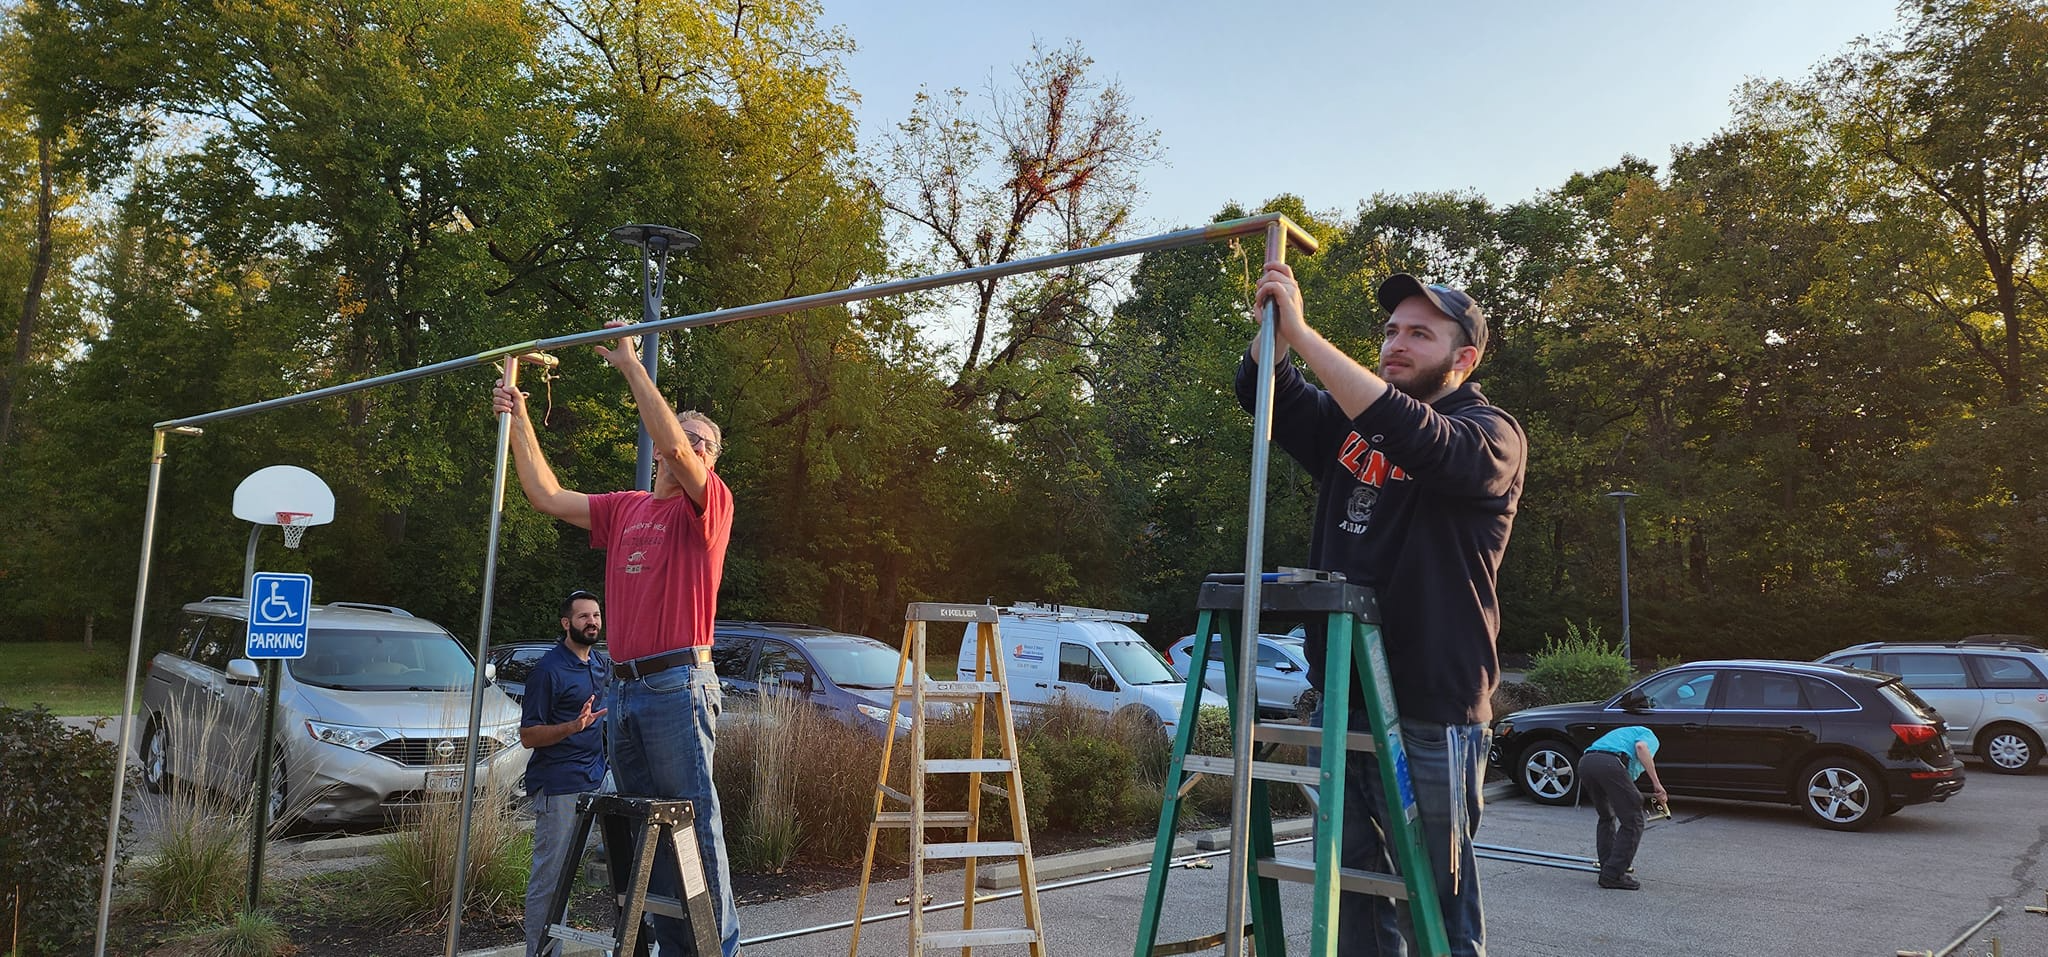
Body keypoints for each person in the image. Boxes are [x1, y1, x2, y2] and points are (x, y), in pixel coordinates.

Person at [1236, 266, 1526, 957]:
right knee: (1358, 895)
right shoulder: (1352, 426)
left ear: (1464, 358)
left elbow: (1420, 438)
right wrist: (1273, 333)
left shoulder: (1491, 433)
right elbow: (1263, 393)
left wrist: (1304, 334)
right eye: (1391, 329)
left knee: (1437, 907)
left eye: (1420, 333)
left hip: (1432, 711)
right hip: (1344, 696)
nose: (1396, 342)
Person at [493, 320, 739, 957]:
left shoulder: (707, 505)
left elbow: (681, 454)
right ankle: (667, 947)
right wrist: (519, 415)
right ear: (655, 448)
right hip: (622, 692)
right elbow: (545, 494)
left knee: (694, 824)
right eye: (683, 435)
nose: (691, 445)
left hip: (677, 685)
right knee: (645, 838)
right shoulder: (627, 507)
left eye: (704, 442)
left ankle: (720, 949)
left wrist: (631, 364)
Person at [519, 589, 612, 957]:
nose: (592, 622)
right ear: (565, 623)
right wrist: (572, 726)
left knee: (642, 845)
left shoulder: (600, 664)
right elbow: (528, 737)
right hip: (559, 786)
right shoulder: (547, 671)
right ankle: (542, 954)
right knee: (552, 880)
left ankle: (638, 941)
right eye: (583, 617)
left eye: (596, 616)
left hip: (600, 777)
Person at [1580, 725, 1666, 890]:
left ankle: (1608, 865)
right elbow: (1641, 748)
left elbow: (1627, 776)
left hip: (1586, 763)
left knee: (1606, 816)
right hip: (1610, 764)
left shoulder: (1625, 733)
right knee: (1633, 821)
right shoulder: (1649, 735)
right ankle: (1613, 875)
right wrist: (1657, 785)